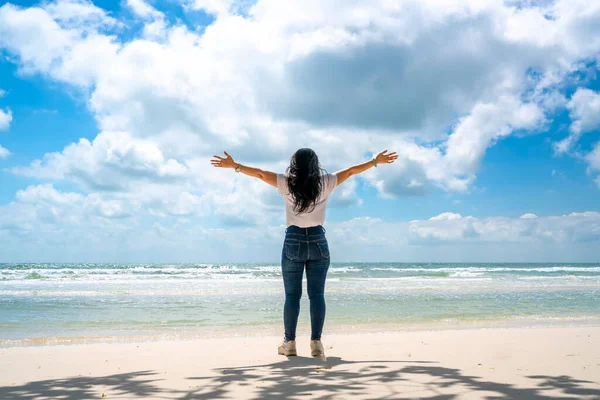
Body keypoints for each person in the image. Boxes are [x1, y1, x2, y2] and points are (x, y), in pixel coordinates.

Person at [211, 148, 398, 359]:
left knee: (292, 295)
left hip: (293, 240)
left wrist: (235, 166)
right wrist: (375, 161)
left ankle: (289, 343)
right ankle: (316, 343)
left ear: (295, 164)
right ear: (315, 164)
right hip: (318, 240)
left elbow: (260, 174)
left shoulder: (286, 182)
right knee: (316, 295)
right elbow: (352, 171)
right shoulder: (326, 182)